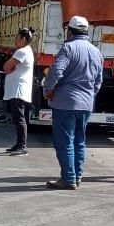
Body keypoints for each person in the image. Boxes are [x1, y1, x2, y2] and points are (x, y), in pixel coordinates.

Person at [43, 16, 103, 190]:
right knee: (79, 141)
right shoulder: (96, 51)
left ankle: (68, 179)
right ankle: (77, 176)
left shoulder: (68, 48)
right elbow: (98, 81)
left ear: (69, 31)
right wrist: (90, 96)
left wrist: (47, 89)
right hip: (85, 104)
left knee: (65, 142)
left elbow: (55, 72)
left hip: (65, 103)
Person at [3, 29, 35, 156]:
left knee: (20, 118)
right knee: (18, 118)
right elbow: (9, 68)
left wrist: (9, 68)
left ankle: (22, 145)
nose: (15, 40)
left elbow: (6, 67)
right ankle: (19, 144)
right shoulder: (26, 51)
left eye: (17, 37)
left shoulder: (22, 52)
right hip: (18, 90)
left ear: (23, 39)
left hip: (18, 90)